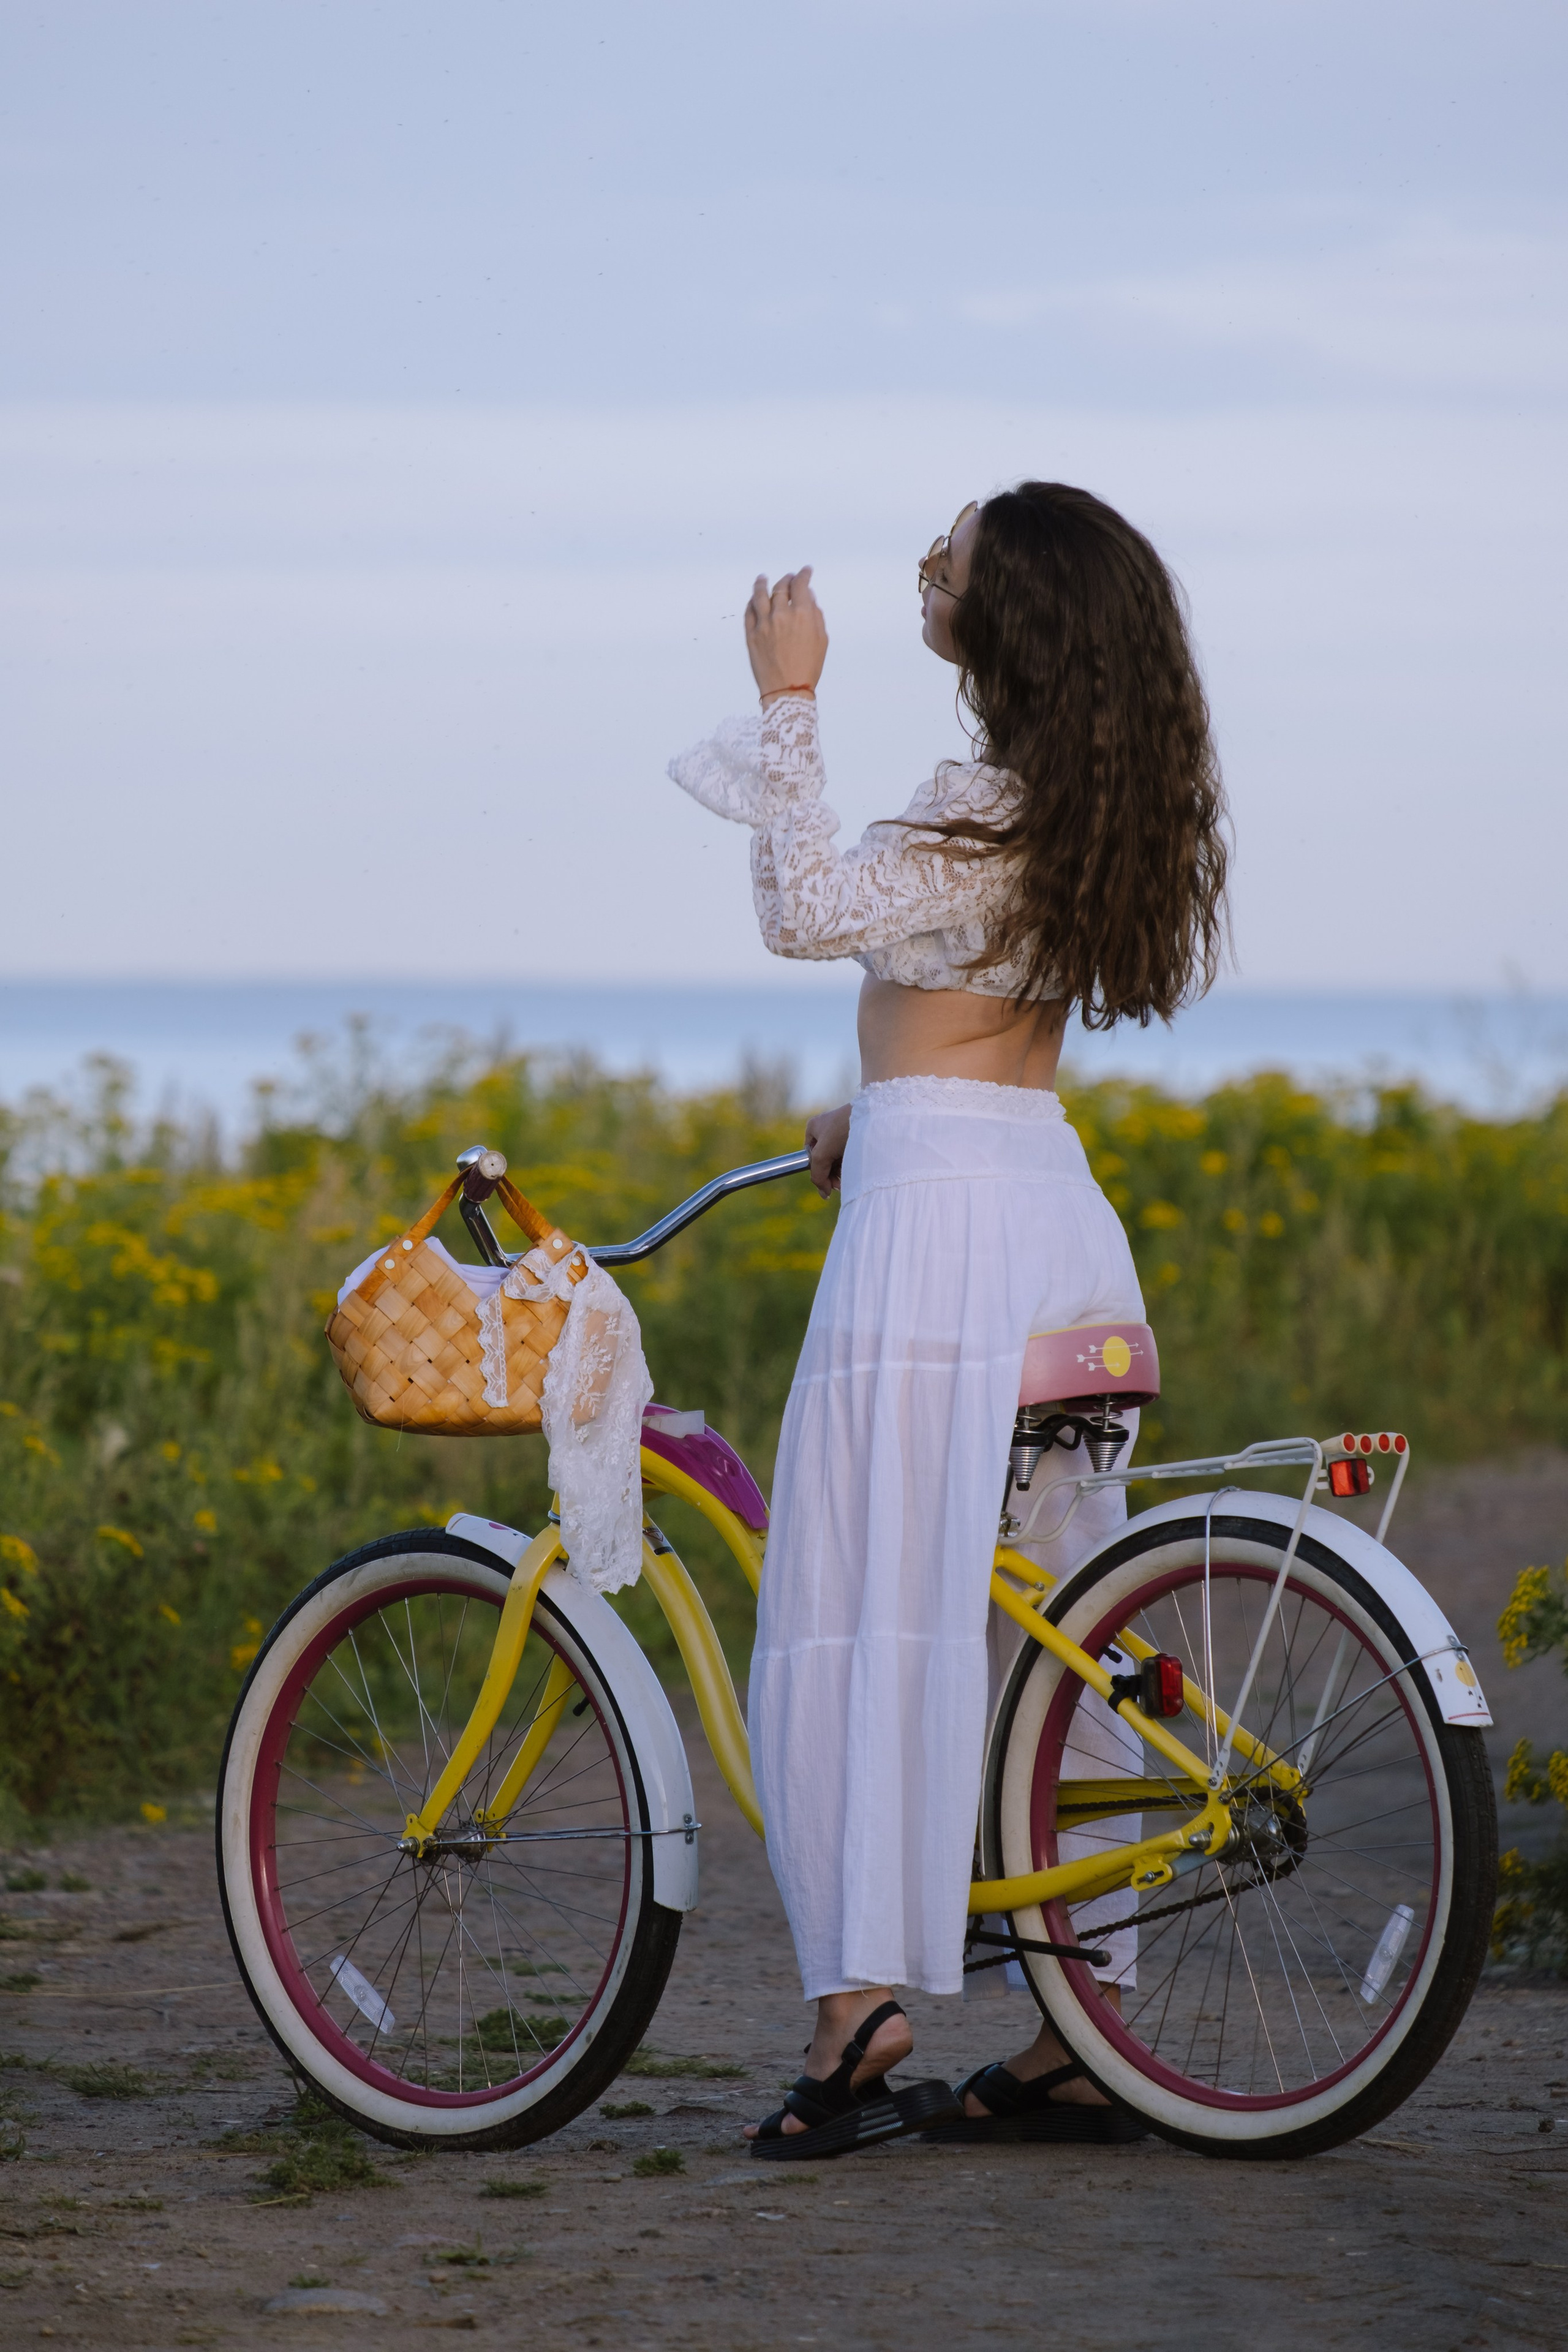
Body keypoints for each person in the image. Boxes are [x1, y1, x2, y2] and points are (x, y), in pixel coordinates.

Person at [668, 482, 1229, 2156]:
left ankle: (859, 2017)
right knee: (1039, 1626)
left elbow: (802, 911)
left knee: (853, 1610)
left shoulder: (976, 812)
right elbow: (972, 1011)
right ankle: (1081, 2032)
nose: (934, 557)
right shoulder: (1071, 808)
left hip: (939, 1244)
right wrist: (875, 1096)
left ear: (1016, 621)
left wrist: (789, 692)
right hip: (1046, 1213)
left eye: (962, 547)